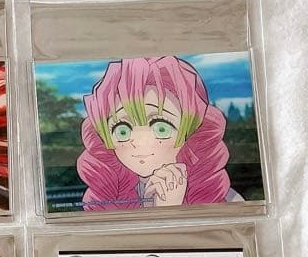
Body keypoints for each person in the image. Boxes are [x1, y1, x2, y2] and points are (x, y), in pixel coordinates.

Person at [77, 56, 239, 210]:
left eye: (161, 128)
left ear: (190, 131)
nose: (139, 142)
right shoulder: (102, 200)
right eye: (122, 130)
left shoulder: (226, 199)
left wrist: (172, 209)